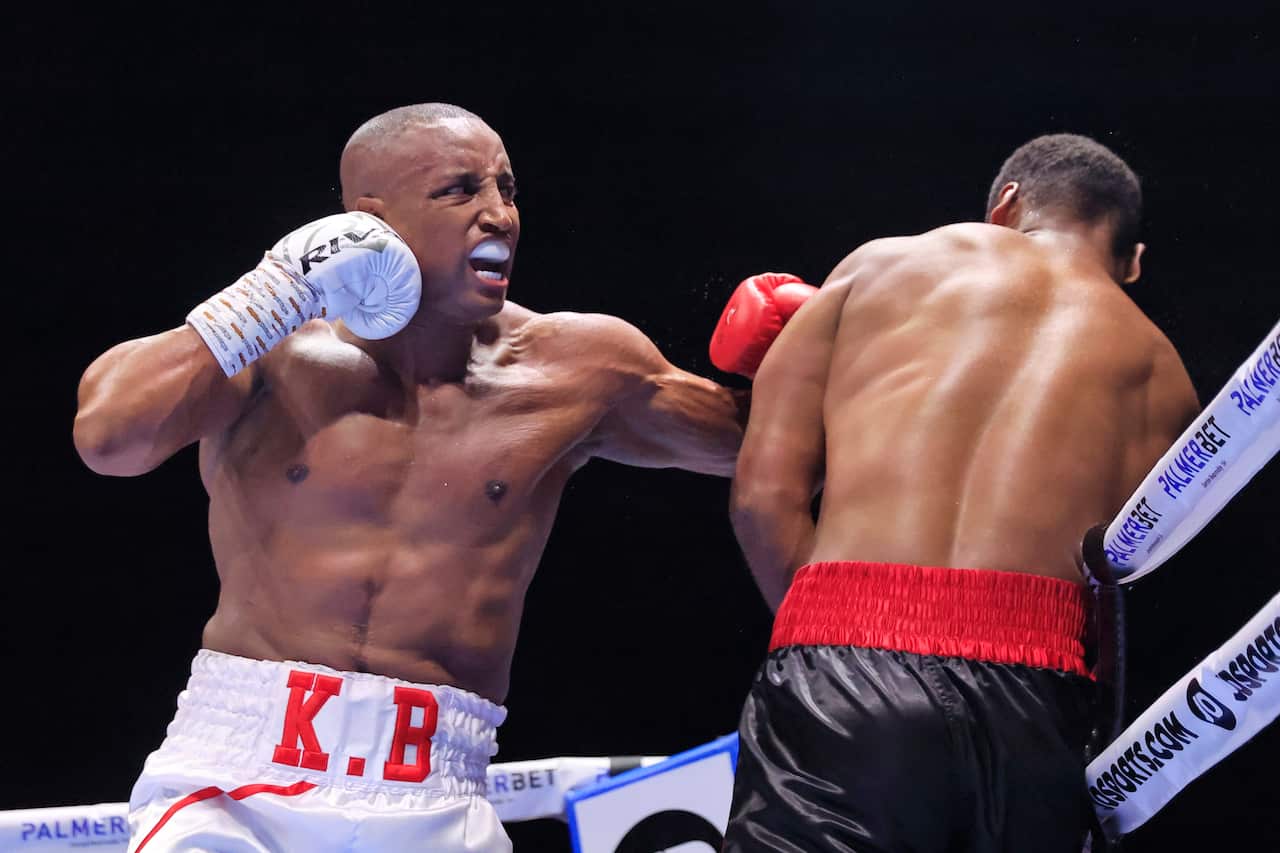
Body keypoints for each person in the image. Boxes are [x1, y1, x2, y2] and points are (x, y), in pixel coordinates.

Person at [72, 102, 745, 853]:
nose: (500, 214)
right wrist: (266, 295)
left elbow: (761, 450)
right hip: (234, 781)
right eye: (460, 190)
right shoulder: (279, 351)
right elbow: (109, 439)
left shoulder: (578, 368)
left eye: (507, 187)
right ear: (371, 218)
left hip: (438, 793)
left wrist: (811, 351)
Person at [712, 134, 1200, 851]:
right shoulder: (1169, 380)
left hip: (846, 654)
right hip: (1036, 693)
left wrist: (844, 635)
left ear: (1004, 207)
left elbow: (761, 497)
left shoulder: (881, 266)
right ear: (1132, 263)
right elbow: (1124, 592)